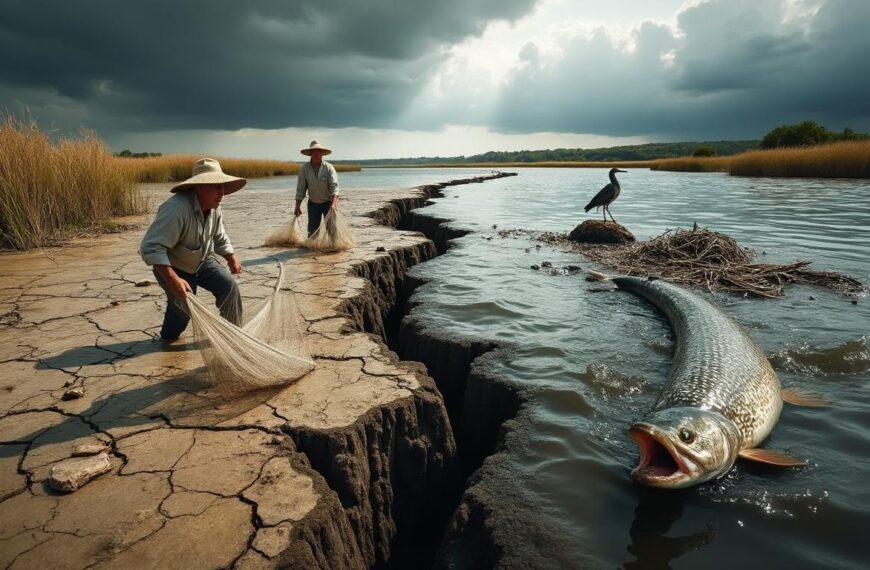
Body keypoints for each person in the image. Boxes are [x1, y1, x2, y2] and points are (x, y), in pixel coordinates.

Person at [140, 157, 246, 342]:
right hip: (174, 267)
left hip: (203, 260)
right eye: (215, 186)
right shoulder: (175, 209)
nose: (221, 192)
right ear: (198, 187)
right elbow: (151, 247)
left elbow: (220, 237)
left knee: (229, 287)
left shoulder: (214, 207)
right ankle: (166, 340)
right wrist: (173, 280)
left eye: (222, 186)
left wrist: (231, 258)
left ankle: (233, 338)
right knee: (184, 311)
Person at [294, 140, 340, 235]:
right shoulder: (305, 169)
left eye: (319, 151)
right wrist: (297, 206)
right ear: (310, 153)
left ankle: (334, 248)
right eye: (314, 151)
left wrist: (334, 204)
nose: (316, 154)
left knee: (332, 231)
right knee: (312, 232)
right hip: (313, 204)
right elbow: (300, 189)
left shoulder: (329, 168)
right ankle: (313, 249)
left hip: (328, 203)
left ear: (322, 153)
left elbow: (334, 187)